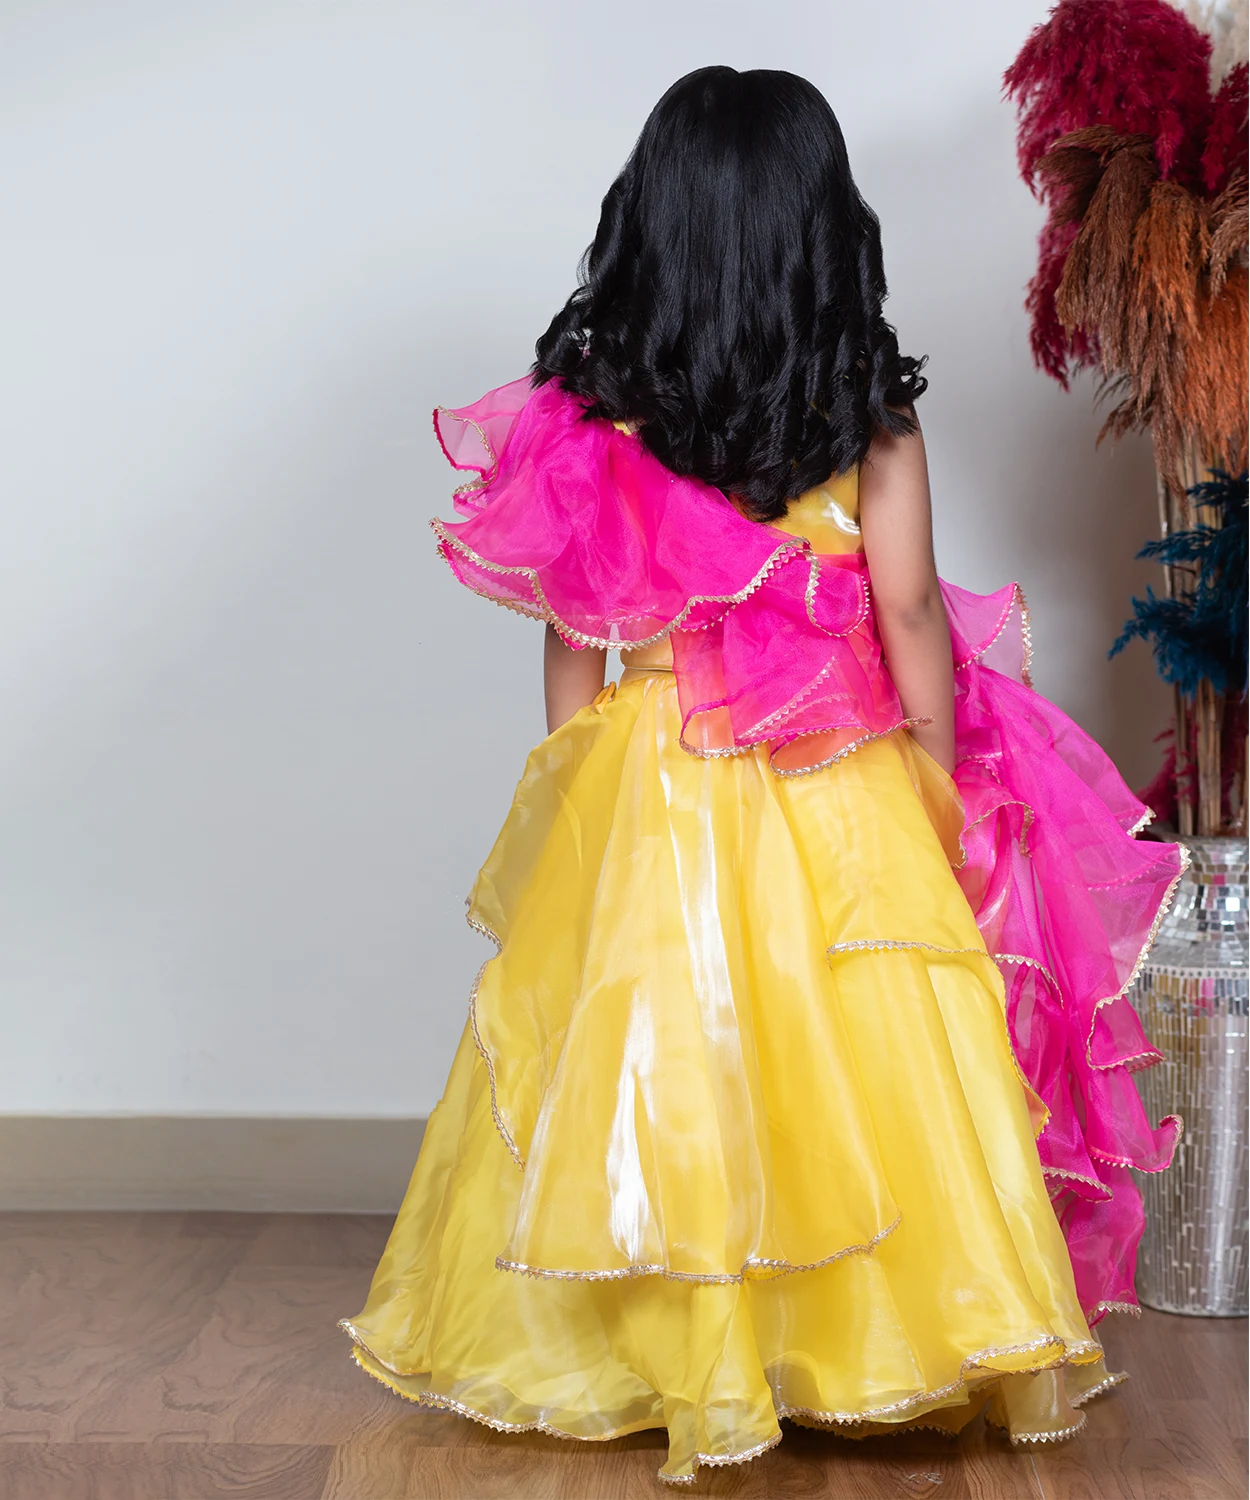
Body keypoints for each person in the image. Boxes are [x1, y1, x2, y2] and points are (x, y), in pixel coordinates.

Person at [340, 67, 1185, 1486]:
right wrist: (930, 775)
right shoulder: (865, 417)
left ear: (649, 228)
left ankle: (654, 1351)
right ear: (822, 231)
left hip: (653, 775)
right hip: (839, 772)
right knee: (855, 1061)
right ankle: (860, 1342)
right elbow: (907, 614)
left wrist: (570, 788)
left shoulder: (594, 418)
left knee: (660, 1053)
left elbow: (581, 637)